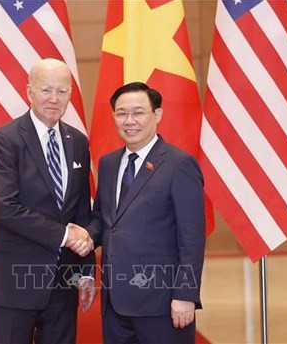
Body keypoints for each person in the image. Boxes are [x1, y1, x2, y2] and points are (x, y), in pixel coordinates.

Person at [0, 58, 95, 344]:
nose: (54, 99)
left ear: (70, 94)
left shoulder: (78, 141)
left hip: (63, 283)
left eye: (62, 91)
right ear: (29, 92)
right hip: (15, 281)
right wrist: (66, 236)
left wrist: (86, 270)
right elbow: (5, 208)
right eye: (46, 90)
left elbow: (81, 209)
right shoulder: (6, 140)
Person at [82, 82, 206, 343]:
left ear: (157, 115)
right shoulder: (108, 163)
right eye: (121, 113)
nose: (129, 121)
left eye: (138, 112)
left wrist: (185, 294)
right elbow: (103, 221)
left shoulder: (179, 164)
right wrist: (82, 236)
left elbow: (192, 237)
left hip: (161, 303)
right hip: (115, 302)